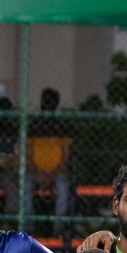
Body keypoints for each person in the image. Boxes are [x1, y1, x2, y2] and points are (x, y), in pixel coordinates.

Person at [28, 88, 75, 237]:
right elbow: (27, 156)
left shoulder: (62, 128)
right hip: (35, 172)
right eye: (45, 101)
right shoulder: (33, 126)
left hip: (56, 173)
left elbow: (64, 160)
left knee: (63, 186)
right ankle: (28, 229)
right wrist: (37, 173)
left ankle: (58, 230)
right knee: (23, 185)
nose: (47, 105)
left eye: (51, 102)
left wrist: (50, 176)